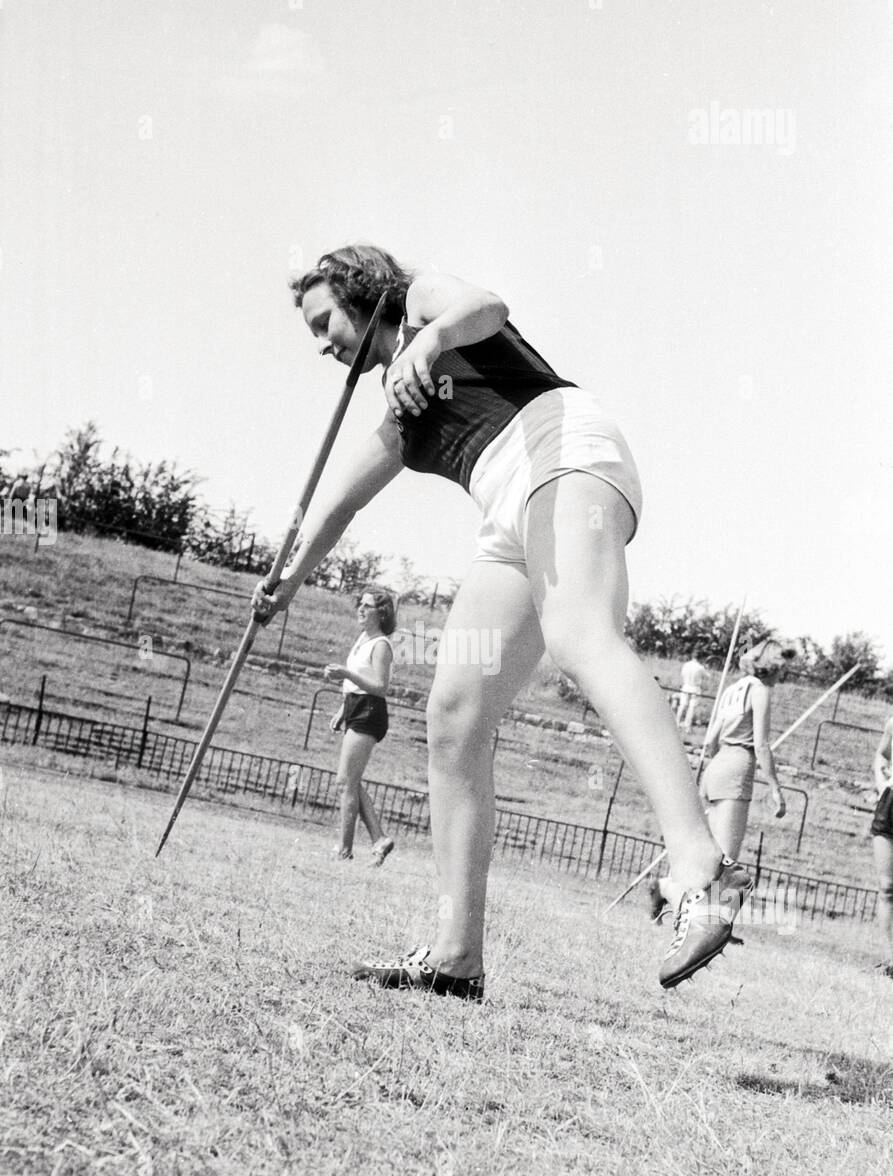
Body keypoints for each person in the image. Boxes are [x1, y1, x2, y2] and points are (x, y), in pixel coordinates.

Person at [252, 244, 753, 998]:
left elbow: (488, 305)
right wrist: (286, 582)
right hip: (506, 510)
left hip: (561, 452)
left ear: (364, 295)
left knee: (579, 633)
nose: (323, 343)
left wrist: (431, 334)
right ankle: (455, 955)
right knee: (454, 714)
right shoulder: (399, 403)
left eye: (326, 322)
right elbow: (339, 502)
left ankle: (697, 867)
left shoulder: (424, 303)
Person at [699, 640, 793, 861]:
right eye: (782, 669)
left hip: (715, 768)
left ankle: (697, 895)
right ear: (773, 666)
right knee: (726, 860)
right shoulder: (759, 690)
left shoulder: (733, 688)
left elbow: (710, 741)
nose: (782, 676)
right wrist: (775, 788)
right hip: (737, 766)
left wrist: (722, 763)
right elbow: (761, 745)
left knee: (710, 855)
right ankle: (712, 897)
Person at [324, 587, 397, 866]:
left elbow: (380, 687)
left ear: (381, 613)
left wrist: (345, 673)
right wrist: (343, 708)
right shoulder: (363, 639)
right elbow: (356, 681)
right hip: (356, 706)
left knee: (345, 782)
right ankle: (379, 839)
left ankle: (344, 850)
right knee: (350, 781)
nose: (360, 609)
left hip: (369, 710)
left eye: (367, 606)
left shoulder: (381, 645)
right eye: (360, 604)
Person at [869, 715, 893, 976]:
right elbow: (882, 755)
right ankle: (890, 960)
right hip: (890, 806)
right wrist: (882, 784)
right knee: (886, 887)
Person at [676, 648, 710, 734]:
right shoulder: (700, 667)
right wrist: (707, 669)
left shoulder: (686, 665)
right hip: (695, 688)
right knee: (691, 708)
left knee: (682, 705)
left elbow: (682, 674)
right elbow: (707, 677)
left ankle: (676, 723)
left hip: (686, 686)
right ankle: (687, 727)